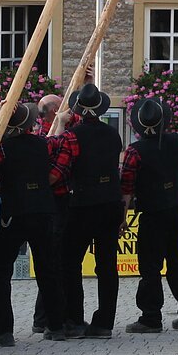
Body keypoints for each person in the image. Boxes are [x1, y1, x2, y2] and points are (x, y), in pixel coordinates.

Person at [120, 97, 178, 334]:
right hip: (177, 207)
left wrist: (122, 218)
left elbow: (126, 189)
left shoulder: (134, 151)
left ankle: (151, 317)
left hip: (152, 211)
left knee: (150, 266)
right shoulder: (177, 140)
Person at [0, 103, 65, 345]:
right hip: (42, 210)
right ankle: (56, 326)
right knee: (48, 270)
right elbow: (58, 151)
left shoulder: (2, 150)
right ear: (31, 125)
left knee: (1, 273)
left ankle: (4, 331)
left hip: (14, 212)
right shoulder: (45, 145)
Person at [56, 84, 122, 340]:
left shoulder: (72, 136)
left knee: (70, 262)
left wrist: (62, 124)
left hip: (82, 203)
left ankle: (74, 318)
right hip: (110, 202)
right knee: (107, 266)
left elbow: (57, 156)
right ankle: (105, 322)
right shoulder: (113, 134)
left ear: (79, 111)